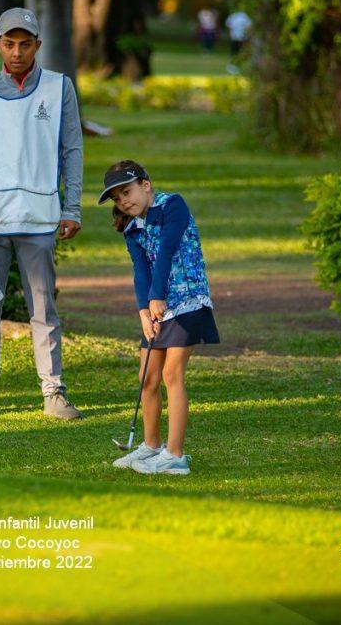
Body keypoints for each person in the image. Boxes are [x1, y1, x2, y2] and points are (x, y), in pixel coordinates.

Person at [0, 7, 84, 420]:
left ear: (37, 46)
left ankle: (53, 391)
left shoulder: (59, 87)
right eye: (9, 44)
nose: (17, 52)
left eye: (25, 44)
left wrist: (72, 206)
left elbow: (72, 149)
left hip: (41, 219)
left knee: (43, 309)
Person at [98, 160, 219, 474]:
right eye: (117, 199)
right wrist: (144, 310)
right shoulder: (132, 227)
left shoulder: (172, 205)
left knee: (171, 374)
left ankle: (175, 455)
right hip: (156, 305)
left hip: (188, 301)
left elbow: (166, 252)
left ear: (145, 184)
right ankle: (152, 446)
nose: (124, 202)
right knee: (147, 377)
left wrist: (156, 297)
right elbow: (141, 270)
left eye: (127, 192)